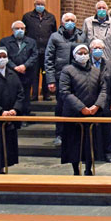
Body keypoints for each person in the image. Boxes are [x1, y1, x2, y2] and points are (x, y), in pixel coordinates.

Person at [58, 44, 107, 176]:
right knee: (75, 145)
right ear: (74, 55)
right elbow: (65, 92)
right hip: (74, 114)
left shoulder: (96, 71)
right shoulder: (67, 70)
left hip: (92, 113)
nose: (83, 55)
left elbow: (103, 90)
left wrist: (96, 106)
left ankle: (89, 169)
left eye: (85, 52)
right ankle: (75, 170)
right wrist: (82, 108)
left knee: (90, 144)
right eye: (80, 53)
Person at [45, 12, 85, 146]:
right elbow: (49, 58)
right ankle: (59, 134)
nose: (69, 22)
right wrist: (50, 80)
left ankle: (76, 135)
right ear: (62, 22)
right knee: (61, 106)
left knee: (77, 105)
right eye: (67, 20)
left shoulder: (81, 35)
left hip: (79, 77)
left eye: (72, 20)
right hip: (60, 77)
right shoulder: (55, 36)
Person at [0, 21, 38, 118]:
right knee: (13, 95)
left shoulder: (31, 41)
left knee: (26, 95)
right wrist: (14, 67)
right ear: (12, 30)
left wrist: (25, 66)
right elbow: (4, 56)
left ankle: (25, 115)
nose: (20, 30)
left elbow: (34, 55)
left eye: (22, 28)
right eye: (17, 28)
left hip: (26, 72)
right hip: (12, 73)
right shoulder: (4, 41)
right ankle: (15, 114)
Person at [89, 39, 111, 163]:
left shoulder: (109, 65)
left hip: (106, 102)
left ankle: (108, 152)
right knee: (92, 129)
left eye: (100, 48)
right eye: (95, 48)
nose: (98, 50)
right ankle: (92, 152)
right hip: (90, 101)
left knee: (107, 129)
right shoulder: (86, 63)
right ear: (90, 50)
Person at [22, 0, 56, 101]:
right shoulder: (27, 17)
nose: (40, 6)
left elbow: (54, 32)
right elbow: (24, 33)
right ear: (34, 4)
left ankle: (46, 94)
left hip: (46, 50)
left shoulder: (51, 17)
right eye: (38, 4)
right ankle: (34, 95)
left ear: (45, 5)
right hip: (33, 50)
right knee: (34, 73)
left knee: (46, 73)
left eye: (42, 4)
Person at [83, 1, 111, 66]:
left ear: (107, 10)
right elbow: (83, 40)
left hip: (107, 60)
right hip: (90, 61)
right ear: (95, 10)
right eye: (99, 8)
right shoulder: (88, 22)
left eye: (103, 8)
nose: (101, 10)